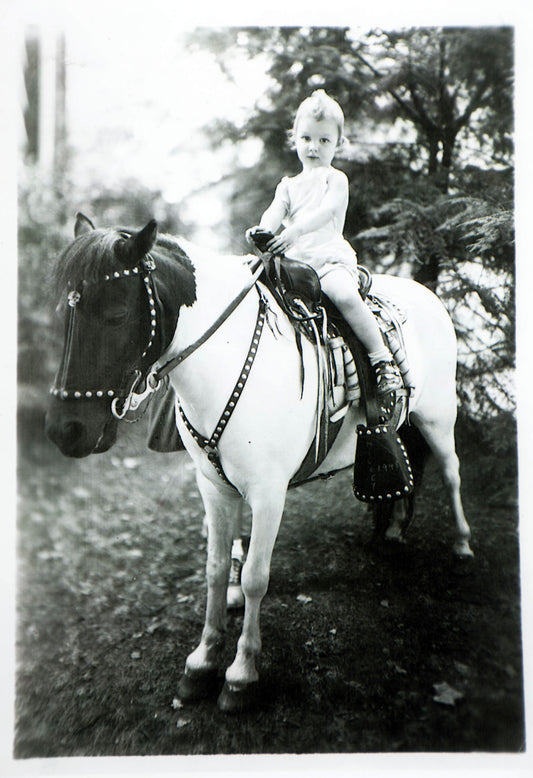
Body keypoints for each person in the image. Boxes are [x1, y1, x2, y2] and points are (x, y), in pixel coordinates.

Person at [247, 89, 402, 395]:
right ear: (294, 139)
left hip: (328, 261)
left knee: (342, 294)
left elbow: (328, 210)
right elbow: (274, 212)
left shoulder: (336, 179)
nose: (313, 148)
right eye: (306, 139)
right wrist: (262, 230)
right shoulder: (288, 186)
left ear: (338, 144)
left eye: (324, 140)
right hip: (296, 265)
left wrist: (294, 232)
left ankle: (382, 360)